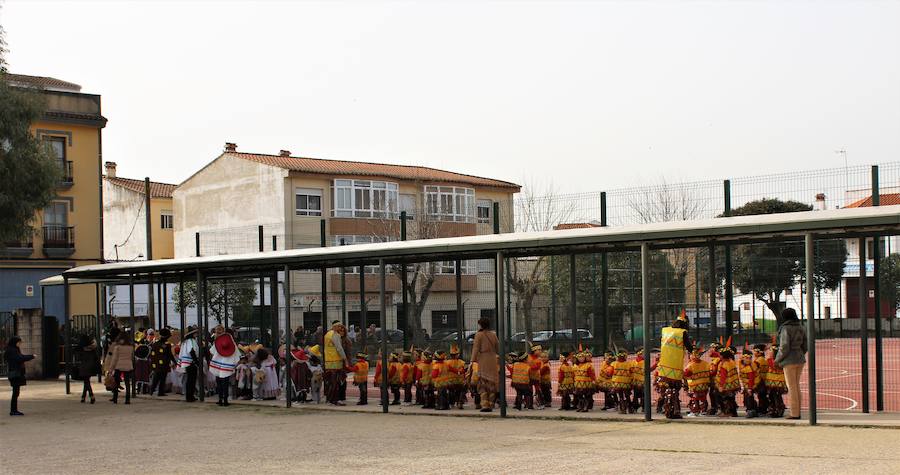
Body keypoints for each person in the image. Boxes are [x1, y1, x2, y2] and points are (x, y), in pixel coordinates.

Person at [656, 312, 693, 419]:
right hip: (675, 366)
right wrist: (695, 351)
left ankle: (667, 409)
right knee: (674, 390)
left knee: (666, 389)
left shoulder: (665, 330)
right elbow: (689, 348)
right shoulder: (682, 333)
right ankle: (675, 411)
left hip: (663, 365)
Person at [775, 307, 807, 420]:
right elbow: (805, 344)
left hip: (789, 359)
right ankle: (798, 411)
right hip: (800, 357)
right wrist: (801, 353)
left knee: (791, 387)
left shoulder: (785, 328)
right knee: (796, 386)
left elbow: (784, 346)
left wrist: (777, 359)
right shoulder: (801, 327)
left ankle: (794, 413)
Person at [470, 316, 499, 412]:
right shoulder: (493, 334)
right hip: (492, 359)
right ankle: (491, 404)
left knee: (482, 383)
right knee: (492, 383)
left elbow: (476, 348)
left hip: (483, 359)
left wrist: (472, 360)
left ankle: (485, 404)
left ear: (481, 325)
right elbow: (498, 347)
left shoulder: (479, 335)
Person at [209, 328, 240, 406]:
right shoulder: (231, 344)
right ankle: (225, 400)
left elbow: (212, 352)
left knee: (219, 383)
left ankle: (220, 399)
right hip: (227, 367)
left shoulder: (218, 342)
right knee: (225, 383)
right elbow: (237, 356)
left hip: (217, 366)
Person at [5, 336, 35, 416]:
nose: (19, 344)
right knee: (15, 393)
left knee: (16, 392)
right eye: (19, 342)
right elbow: (20, 358)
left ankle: (14, 410)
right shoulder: (12, 350)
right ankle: (13, 410)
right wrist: (31, 356)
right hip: (15, 373)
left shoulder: (12, 350)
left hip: (15, 372)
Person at [323, 321, 349, 406]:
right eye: (339, 327)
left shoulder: (327, 334)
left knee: (330, 382)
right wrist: (345, 359)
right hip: (336, 361)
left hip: (328, 361)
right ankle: (334, 400)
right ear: (336, 327)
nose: (340, 328)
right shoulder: (335, 335)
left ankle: (329, 399)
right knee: (336, 382)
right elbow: (339, 348)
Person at [107, 333, 135, 404]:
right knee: (127, 382)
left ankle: (115, 398)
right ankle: (127, 399)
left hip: (118, 366)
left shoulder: (117, 347)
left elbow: (114, 359)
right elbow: (132, 357)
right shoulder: (131, 347)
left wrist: (111, 369)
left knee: (116, 382)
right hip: (128, 365)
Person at [683, 346, 711, 417]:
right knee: (703, 398)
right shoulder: (706, 363)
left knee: (695, 398)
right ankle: (703, 411)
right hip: (704, 385)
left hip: (695, 385)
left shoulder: (691, 365)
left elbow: (686, 374)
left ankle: (695, 411)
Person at [715, 345, 740, 417]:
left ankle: (726, 412)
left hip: (726, 386)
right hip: (733, 385)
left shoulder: (723, 364)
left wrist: (721, 386)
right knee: (731, 398)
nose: (719, 355)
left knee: (721, 398)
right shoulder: (732, 362)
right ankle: (734, 412)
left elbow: (723, 376)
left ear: (722, 356)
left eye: (719, 354)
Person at [177, 326, 200, 402]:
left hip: (187, 363)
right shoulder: (191, 341)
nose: (196, 334)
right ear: (192, 334)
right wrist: (196, 361)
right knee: (192, 380)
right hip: (191, 362)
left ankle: (189, 396)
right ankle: (190, 396)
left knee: (189, 380)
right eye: (195, 333)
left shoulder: (185, 341)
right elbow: (192, 351)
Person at [149, 328, 174, 397]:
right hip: (164, 364)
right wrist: (175, 362)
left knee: (156, 377)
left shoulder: (155, 343)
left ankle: (152, 390)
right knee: (162, 378)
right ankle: (160, 392)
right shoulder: (167, 345)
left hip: (156, 363)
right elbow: (170, 354)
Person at [78, 335, 99, 404]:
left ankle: (91, 395)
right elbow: (96, 358)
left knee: (86, 381)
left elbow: (79, 357)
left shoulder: (81, 349)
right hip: (91, 366)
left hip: (84, 366)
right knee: (86, 381)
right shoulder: (92, 349)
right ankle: (83, 397)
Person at [738, 348, 759, 418]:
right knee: (747, 398)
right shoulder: (742, 365)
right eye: (746, 358)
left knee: (749, 398)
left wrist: (750, 388)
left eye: (749, 358)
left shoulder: (749, 367)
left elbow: (751, 379)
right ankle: (754, 410)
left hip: (750, 386)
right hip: (745, 385)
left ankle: (750, 411)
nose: (748, 360)